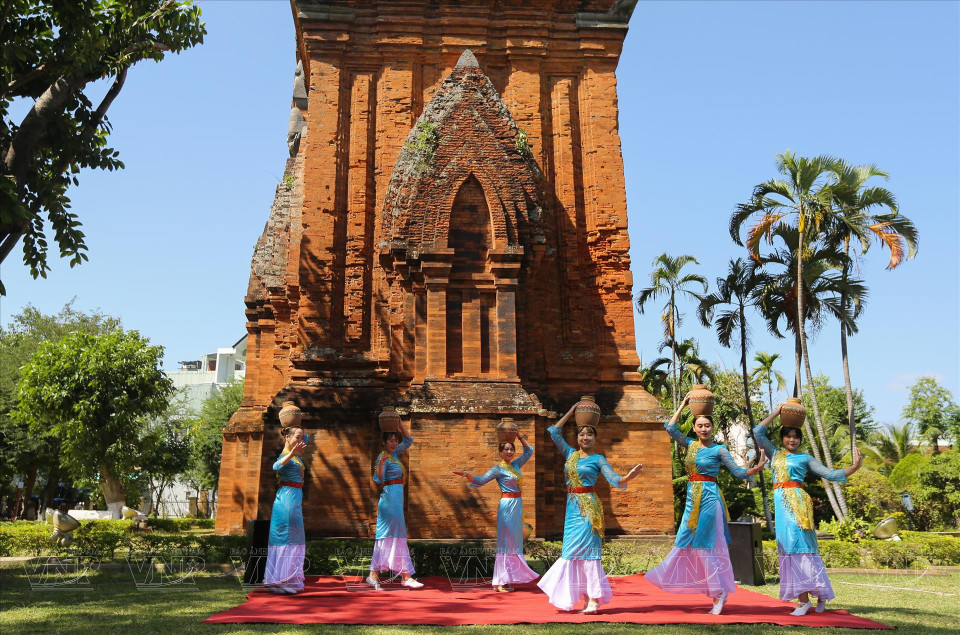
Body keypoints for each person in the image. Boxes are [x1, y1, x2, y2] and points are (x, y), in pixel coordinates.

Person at [645, 393, 768, 614]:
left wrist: (756, 468)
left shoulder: (719, 449)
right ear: (694, 428)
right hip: (693, 498)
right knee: (684, 541)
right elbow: (670, 428)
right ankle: (713, 588)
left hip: (710, 498)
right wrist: (683, 403)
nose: (703, 429)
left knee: (704, 545)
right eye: (700, 426)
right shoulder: (691, 445)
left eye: (707, 426)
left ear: (712, 428)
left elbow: (739, 473)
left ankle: (718, 592)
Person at [754, 404, 862, 615]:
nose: (792, 440)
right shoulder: (774, 453)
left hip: (798, 505)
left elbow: (830, 474)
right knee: (788, 548)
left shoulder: (805, 458)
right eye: (788, 436)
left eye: (796, 437)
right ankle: (818, 595)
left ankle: (804, 601)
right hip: (781, 505)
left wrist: (855, 467)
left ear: (800, 440)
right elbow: (758, 431)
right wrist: (777, 412)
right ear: (782, 438)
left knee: (802, 549)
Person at [537, 402, 643, 614]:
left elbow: (613, 478)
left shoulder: (598, 459)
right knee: (571, 553)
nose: (585, 438)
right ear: (577, 438)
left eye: (589, 435)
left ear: (595, 438)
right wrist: (572, 410)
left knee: (589, 555)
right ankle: (584, 598)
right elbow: (554, 431)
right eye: (581, 434)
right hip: (572, 509)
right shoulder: (570, 454)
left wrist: (628, 477)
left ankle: (594, 599)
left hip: (589, 509)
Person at [453, 431, 538, 592]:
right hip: (506, 506)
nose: (509, 452)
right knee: (505, 543)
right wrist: (467, 475)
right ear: (500, 452)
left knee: (514, 543)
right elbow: (480, 480)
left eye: (511, 449)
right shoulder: (497, 469)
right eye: (506, 449)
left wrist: (519, 436)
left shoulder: (516, 465)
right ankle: (499, 581)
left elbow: (529, 451)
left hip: (517, 505)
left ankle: (507, 579)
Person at [366, 419, 423, 590]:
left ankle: (378, 575)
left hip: (396, 500)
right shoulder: (382, 457)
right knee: (389, 535)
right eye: (391, 440)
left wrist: (399, 422)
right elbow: (378, 479)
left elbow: (409, 440)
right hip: (389, 500)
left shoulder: (395, 454)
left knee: (396, 535)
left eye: (395, 440)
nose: (394, 443)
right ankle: (403, 576)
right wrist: (381, 465)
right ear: (383, 441)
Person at [264, 401, 309, 594]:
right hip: (287, 499)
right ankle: (279, 579)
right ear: (288, 437)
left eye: (302, 436)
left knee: (295, 537)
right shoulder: (287, 456)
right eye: (298, 437)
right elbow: (276, 466)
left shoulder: (296, 457)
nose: (302, 439)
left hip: (294, 499)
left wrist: (294, 451)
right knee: (286, 536)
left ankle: (287, 577)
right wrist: (291, 452)